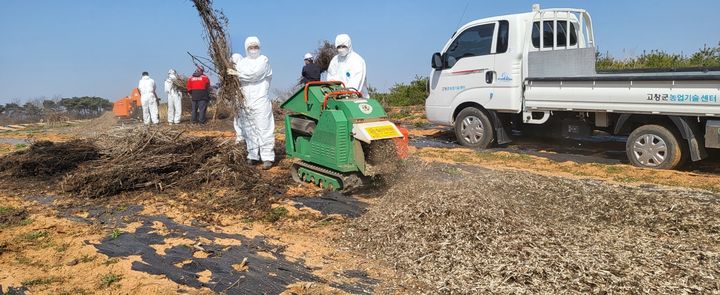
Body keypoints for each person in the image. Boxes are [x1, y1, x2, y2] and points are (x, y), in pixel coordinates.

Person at [227, 36, 274, 170]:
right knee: (249, 129)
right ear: (246, 48)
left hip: (261, 100)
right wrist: (234, 73)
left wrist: (236, 73)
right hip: (245, 101)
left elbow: (254, 75)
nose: (253, 49)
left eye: (256, 47)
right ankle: (253, 155)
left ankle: (267, 157)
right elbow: (240, 77)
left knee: (264, 128)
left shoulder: (263, 60)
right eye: (251, 47)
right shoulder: (242, 63)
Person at [231, 53, 245, 143]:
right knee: (237, 116)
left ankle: (244, 136)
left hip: (244, 95)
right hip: (236, 95)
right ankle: (240, 137)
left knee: (244, 116)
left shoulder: (245, 68)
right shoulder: (231, 69)